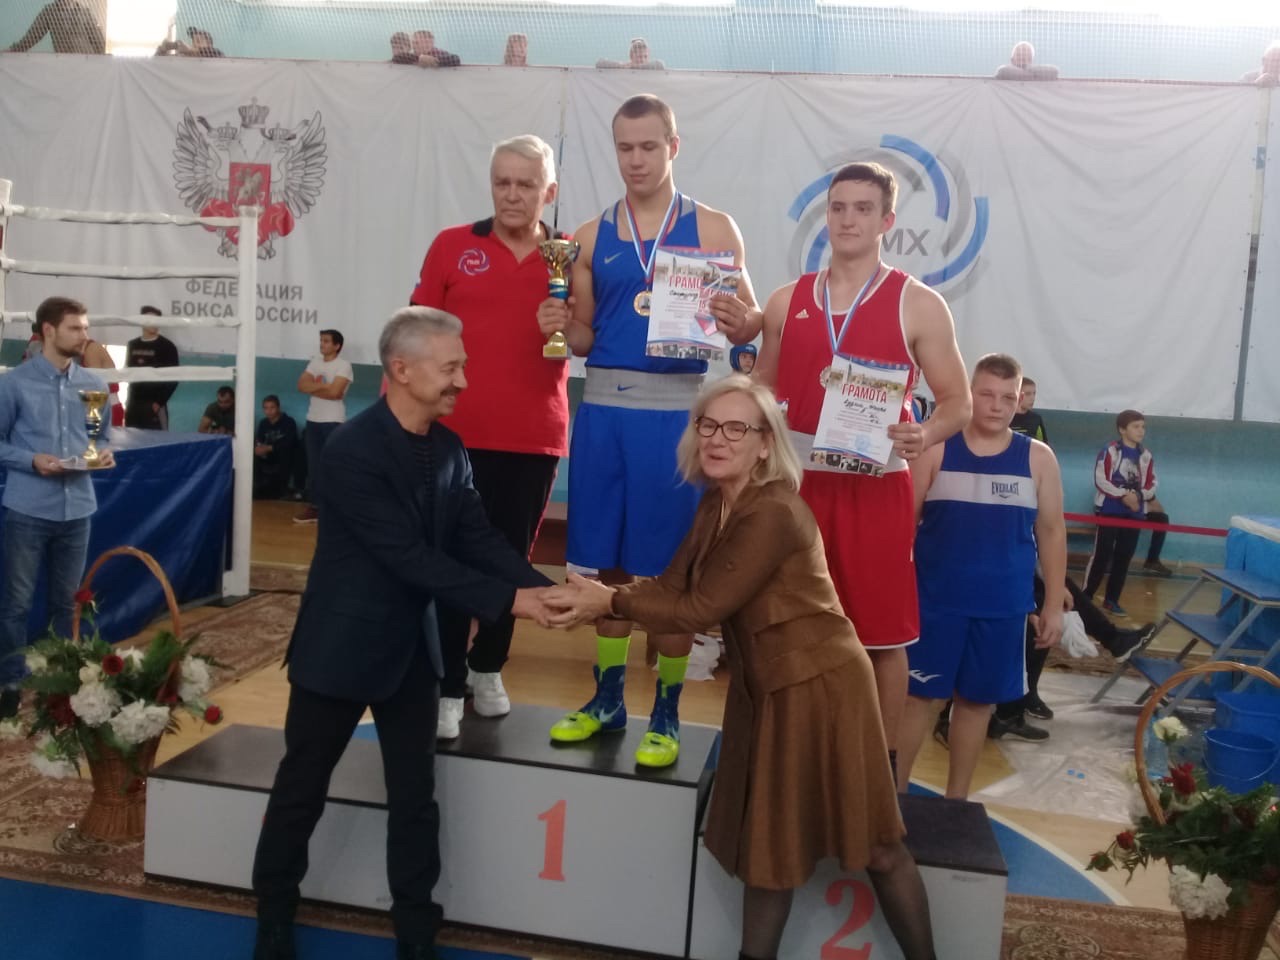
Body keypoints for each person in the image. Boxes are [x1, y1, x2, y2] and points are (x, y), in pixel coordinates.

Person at [546, 376, 936, 960]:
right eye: (707, 425)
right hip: (767, 685)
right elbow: (673, 586)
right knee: (769, 850)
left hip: (822, 685)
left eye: (736, 428)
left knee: (877, 845)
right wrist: (594, 595)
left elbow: (700, 609)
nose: (717, 438)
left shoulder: (772, 510)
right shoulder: (717, 502)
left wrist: (608, 602)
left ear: (764, 444)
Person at [251, 307, 557, 960]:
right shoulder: (351, 451)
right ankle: (273, 916)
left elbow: (477, 537)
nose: (463, 381)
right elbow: (406, 557)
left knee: (416, 799)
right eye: (451, 368)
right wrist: (513, 601)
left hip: (414, 653)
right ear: (402, 369)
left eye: (462, 367)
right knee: (301, 789)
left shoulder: (449, 449)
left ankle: (417, 932)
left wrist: (547, 589)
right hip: (340, 648)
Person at [542, 94, 758, 767]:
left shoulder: (714, 228)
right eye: (625, 147)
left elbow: (749, 325)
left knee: (668, 578)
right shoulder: (586, 236)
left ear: (673, 146)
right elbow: (584, 337)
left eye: (649, 146)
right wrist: (559, 322)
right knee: (604, 569)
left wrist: (740, 322)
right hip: (603, 417)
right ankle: (607, 699)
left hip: (674, 423)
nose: (636, 160)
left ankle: (665, 713)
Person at [754, 161, 970, 777]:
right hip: (796, 489)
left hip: (875, 489)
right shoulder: (785, 300)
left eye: (863, 209)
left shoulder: (918, 304)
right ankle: (786, 758)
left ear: (887, 220)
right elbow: (761, 390)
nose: (848, 219)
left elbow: (958, 402)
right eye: (838, 207)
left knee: (880, 637)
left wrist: (925, 432)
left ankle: (878, 771)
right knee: (787, 627)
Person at [409, 134, 570, 740]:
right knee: (450, 561)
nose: (512, 194)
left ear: (548, 191)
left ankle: (487, 667)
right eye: (503, 182)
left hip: (534, 436)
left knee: (510, 559)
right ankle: (447, 683)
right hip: (453, 436)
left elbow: (585, 335)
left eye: (526, 184)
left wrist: (565, 324)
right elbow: (418, 332)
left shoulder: (567, 257)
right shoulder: (452, 245)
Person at [897, 354, 1065, 800]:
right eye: (987, 394)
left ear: (1020, 401)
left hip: (1003, 608)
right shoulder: (935, 449)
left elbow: (1052, 532)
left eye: (1008, 397)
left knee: (977, 704)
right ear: (970, 394)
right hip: (934, 604)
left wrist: (1052, 605)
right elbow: (902, 528)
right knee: (917, 700)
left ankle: (957, 802)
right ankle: (892, 797)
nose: (997, 405)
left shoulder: (1039, 459)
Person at [0, 297, 113, 720]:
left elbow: (100, 437)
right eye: (75, 328)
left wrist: (103, 455)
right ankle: (10, 684)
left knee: (68, 604)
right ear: (48, 331)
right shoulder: (14, 384)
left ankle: (62, 683)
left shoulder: (94, 384)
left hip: (78, 509)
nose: (85, 335)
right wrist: (32, 460)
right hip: (28, 509)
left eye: (85, 327)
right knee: (16, 604)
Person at [1084, 409, 1165, 616]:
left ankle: (1112, 600)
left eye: (1143, 427)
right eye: (1136, 427)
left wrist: (1138, 496)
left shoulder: (1145, 456)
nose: (1141, 431)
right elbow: (1101, 480)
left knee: (1124, 557)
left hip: (1134, 513)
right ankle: (1085, 598)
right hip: (1110, 510)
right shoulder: (1110, 451)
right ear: (1122, 429)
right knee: (1101, 555)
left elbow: (1152, 483)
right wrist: (1122, 495)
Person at [294, 329, 352, 524]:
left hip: (333, 421)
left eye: (326, 341)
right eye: (321, 340)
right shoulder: (315, 363)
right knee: (314, 467)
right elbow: (301, 386)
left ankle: (336, 507)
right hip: (313, 420)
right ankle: (316, 507)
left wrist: (315, 387)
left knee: (333, 465)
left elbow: (336, 393)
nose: (322, 344)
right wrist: (326, 386)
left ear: (337, 345)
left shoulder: (344, 365)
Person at [124, 306, 180, 430]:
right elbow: (129, 373)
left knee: (158, 440)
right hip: (133, 404)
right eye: (150, 320)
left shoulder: (167, 346)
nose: (154, 323)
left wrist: (159, 403)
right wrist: (128, 402)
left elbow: (174, 379)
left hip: (154, 405)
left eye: (157, 320)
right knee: (131, 438)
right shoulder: (132, 345)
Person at [5, 0, 104, 54]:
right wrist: (11, 50)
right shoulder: (49, 12)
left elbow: (98, 41)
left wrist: (102, 63)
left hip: (86, 64)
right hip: (63, 64)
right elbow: (32, 37)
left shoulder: (85, 12)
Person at [254, 395, 299, 501]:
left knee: (288, 453)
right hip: (267, 456)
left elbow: (289, 443)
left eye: (272, 407)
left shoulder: (288, 422)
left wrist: (269, 448)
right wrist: (259, 448)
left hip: (284, 456)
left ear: (278, 408)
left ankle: (286, 490)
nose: (269, 411)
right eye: (266, 408)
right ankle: (256, 487)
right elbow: (259, 440)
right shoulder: (263, 423)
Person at [995, 41, 1059, 80]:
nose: (1023, 57)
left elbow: (1054, 71)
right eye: (1019, 54)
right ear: (1012, 60)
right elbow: (1003, 71)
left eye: (1027, 55)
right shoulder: (1005, 72)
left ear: (1031, 60)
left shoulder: (1039, 74)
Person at [1009, 376, 1047, 443]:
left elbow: (1043, 444)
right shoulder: (1005, 417)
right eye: (1028, 394)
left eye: (1034, 393)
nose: (1032, 398)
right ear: (1016, 394)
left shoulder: (1036, 419)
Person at [596, 37, 665, 70]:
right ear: (631, 56)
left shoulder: (651, 67)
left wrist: (635, 67)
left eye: (645, 56)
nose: (643, 60)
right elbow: (599, 63)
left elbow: (660, 64)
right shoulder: (624, 67)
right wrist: (622, 66)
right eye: (639, 57)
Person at [155, 26, 224, 57]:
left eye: (198, 41)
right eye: (193, 41)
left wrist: (189, 50)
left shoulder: (215, 54)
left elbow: (215, 52)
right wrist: (162, 49)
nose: (195, 44)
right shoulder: (185, 57)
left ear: (209, 44)